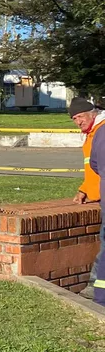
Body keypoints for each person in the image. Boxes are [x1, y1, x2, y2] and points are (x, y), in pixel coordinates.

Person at [70, 97, 105, 304]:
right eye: (74, 119)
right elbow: (92, 168)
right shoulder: (92, 133)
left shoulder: (100, 130)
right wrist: (84, 190)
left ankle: (95, 288)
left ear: (92, 113)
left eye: (80, 116)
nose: (78, 122)